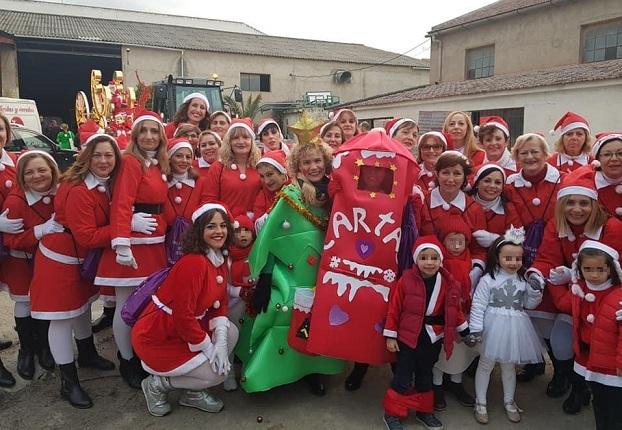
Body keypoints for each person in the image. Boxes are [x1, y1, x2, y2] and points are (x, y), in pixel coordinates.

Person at [236, 134, 344, 394]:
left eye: (317, 160)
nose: (313, 167)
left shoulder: (336, 193)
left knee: (320, 318)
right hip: (292, 275)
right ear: (298, 165)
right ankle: (279, 370)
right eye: (306, 162)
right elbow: (271, 238)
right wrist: (265, 278)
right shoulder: (290, 194)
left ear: (326, 162)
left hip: (325, 271)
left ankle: (315, 369)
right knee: (287, 315)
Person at [30, 134, 119, 408]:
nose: (103, 161)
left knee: (81, 310)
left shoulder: (100, 183)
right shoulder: (80, 188)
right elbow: (88, 237)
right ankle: (68, 382)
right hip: (59, 261)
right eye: (97, 155)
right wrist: (126, 227)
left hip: (78, 259)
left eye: (109, 155)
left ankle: (87, 353)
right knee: (61, 320)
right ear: (86, 156)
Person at [132, 203, 239, 417]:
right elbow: (182, 316)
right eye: (211, 226)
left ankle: (192, 392)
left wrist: (221, 343)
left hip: (185, 329)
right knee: (216, 375)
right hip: (159, 335)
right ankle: (157, 384)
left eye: (222, 226)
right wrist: (210, 348)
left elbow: (220, 303)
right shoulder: (195, 263)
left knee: (230, 332)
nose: (218, 231)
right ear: (199, 231)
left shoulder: (217, 259)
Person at [526, 175, 622, 413]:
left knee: (599, 347)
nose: (577, 209)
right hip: (573, 300)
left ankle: (597, 390)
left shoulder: (612, 228)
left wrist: (572, 275)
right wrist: (538, 276)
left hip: (607, 303)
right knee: (561, 343)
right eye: (570, 202)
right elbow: (548, 260)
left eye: (583, 203)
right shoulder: (556, 225)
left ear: (594, 204)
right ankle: (575, 384)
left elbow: (616, 271)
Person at [94, 110, 169, 389]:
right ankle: (127, 359)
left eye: (154, 131)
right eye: (143, 131)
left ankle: (140, 354)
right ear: (135, 136)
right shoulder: (130, 162)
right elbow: (122, 202)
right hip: (134, 246)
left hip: (154, 243)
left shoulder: (157, 164)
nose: (149, 136)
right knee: (127, 307)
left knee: (145, 306)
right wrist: (122, 240)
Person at [382, 236, 472, 430]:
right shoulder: (405, 280)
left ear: (440, 260)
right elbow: (394, 309)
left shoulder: (448, 282)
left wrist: (465, 331)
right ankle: (392, 414)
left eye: (434, 258)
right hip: (407, 337)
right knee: (403, 376)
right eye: (424, 257)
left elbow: (454, 310)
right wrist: (390, 335)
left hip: (432, 337)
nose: (429, 262)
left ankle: (424, 411)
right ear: (416, 259)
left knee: (425, 375)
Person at [469, 227, 545, 424]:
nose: (513, 263)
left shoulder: (522, 279)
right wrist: (476, 328)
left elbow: (528, 304)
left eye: (518, 259)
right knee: (485, 365)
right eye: (508, 258)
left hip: (515, 328)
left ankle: (509, 401)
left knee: (509, 367)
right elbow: (478, 304)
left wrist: (535, 292)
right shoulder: (488, 279)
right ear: (497, 257)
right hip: (492, 327)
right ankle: (481, 402)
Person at [504, 133, 563, 382]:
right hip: (522, 253)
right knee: (526, 312)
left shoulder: (561, 181)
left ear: (545, 153)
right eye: (523, 153)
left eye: (534, 152)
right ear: (516, 156)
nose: (529, 157)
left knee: (553, 313)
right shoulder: (510, 184)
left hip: (555, 254)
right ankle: (534, 362)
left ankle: (562, 373)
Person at [3, 151, 64, 379]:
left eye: (42, 170)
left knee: (47, 303)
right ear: (21, 176)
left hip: (51, 261)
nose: (37, 176)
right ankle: (27, 350)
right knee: (25, 304)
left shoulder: (62, 192)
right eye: (29, 172)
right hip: (23, 262)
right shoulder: (16, 201)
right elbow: (11, 241)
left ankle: (45, 346)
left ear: (52, 170)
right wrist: (39, 231)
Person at [555, 241, 622, 430]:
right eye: (588, 269)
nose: (594, 274)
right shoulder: (580, 290)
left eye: (600, 269)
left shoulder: (618, 296)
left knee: (615, 410)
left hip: (613, 367)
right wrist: (555, 281)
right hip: (590, 360)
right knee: (599, 405)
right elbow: (563, 305)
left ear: (611, 269)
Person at [432, 216, 479, 411]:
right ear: (443, 241)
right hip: (441, 314)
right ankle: (437, 385)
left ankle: (456, 382)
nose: (457, 246)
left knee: (460, 350)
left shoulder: (471, 261)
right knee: (440, 351)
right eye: (451, 241)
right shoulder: (438, 260)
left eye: (461, 241)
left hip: (464, 312)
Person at [202, 118, 262, 218]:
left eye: (246, 137)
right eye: (235, 138)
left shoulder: (260, 165)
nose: (241, 141)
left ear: (252, 141)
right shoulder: (218, 167)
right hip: (227, 224)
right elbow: (209, 201)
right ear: (229, 141)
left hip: (255, 225)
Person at [223, 214, 256, 391]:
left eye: (247, 231)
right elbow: (223, 283)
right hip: (233, 304)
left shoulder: (257, 252)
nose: (243, 235)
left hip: (252, 305)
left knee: (250, 338)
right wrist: (238, 291)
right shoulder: (227, 257)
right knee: (232, 338)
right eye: (238, 231)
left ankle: (248, 371)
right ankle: (227, 373)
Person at [163, 137, 204, 266]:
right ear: (169, 158)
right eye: (179, 156)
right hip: (164, 242)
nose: (184, 161)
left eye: (188, 157)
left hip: (192, 242)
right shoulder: (162, 182)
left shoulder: (200, 182)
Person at [469, 164, 522, 246]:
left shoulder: (508, 209)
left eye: (498, 183)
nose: (492, 186)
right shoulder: (465, 203)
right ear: (477, 183)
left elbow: (518, 238)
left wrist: (496, 239)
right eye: (487, 181)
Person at [577, 132, 622, 220]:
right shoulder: (586, 185)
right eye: (607, 154)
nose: (614, 159)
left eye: (620, 153)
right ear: (598, 159)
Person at [253, 150, 289, 227]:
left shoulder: (297, 189)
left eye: (269, 174)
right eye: (262, 176)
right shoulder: (262, 197)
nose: (266, 181)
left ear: (283, 173)